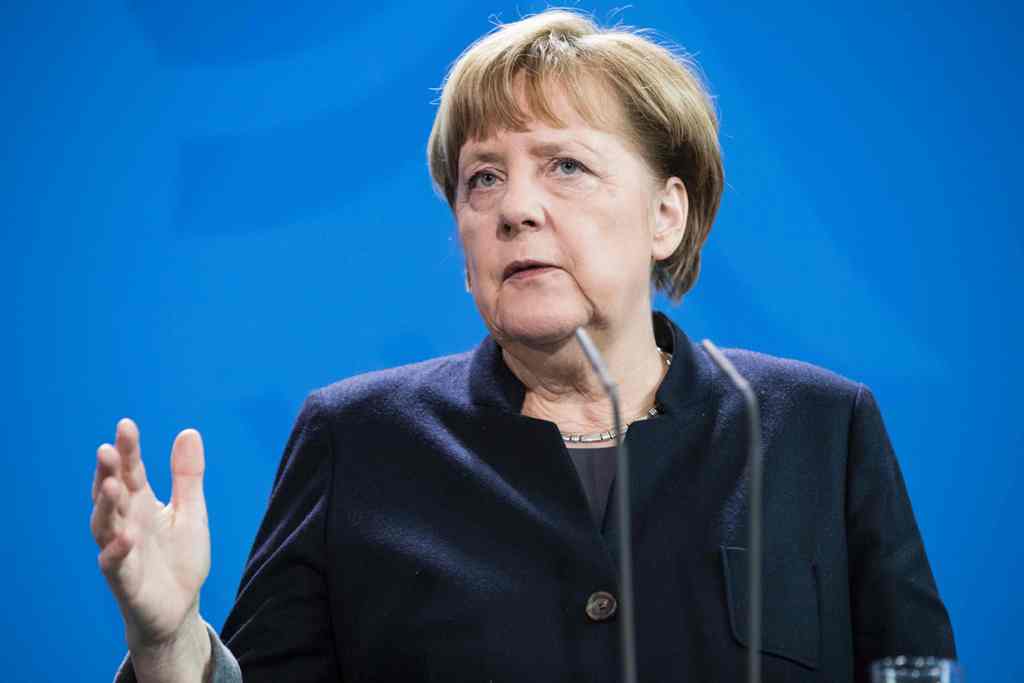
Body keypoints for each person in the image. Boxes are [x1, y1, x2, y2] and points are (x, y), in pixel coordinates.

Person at [91, 9, 955, 683]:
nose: (515, 208)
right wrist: (169, 646)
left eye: (565, 166)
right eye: (484, 177)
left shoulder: (821, 428)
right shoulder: (353, 441)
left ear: (667, 215)